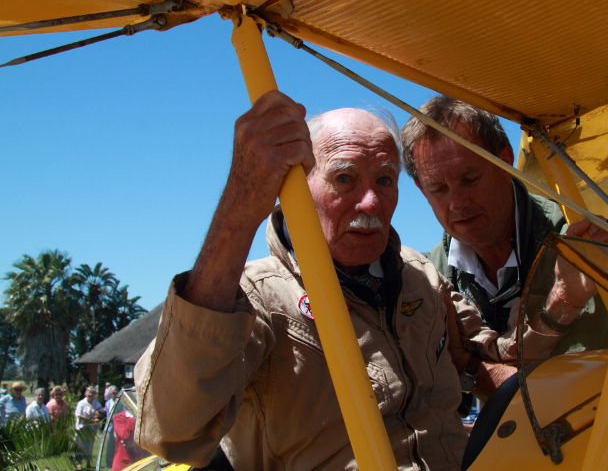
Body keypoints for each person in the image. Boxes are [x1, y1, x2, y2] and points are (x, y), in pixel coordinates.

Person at [135, 92, 507, 470]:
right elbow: (172, 430)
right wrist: (239, 207)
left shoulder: (421, 275)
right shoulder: (252, 297)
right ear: (296, 187)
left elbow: (491, 358)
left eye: (384, 179)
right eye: (344, 178)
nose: (371, 202)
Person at [401, 96, 608, 364]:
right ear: (421, 190)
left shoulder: (590, 250)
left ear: (504, 161)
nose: (457, 203)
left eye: (469, 179)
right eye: (437, 188)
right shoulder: (430, 280)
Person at [75, 386, 102, 469]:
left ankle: (88, 463)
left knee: (89, 445)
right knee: (80, 445)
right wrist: (90, 420)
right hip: (81, 428)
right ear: (85, 393)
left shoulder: (97, 404)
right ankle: (78, 463)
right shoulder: (81, 403)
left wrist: (98, 417)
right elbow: (79, 415)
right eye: (89, 392)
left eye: (92, 393)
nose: (90, 394)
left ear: (94, 394)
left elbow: (100, 413)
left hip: (91, 429)